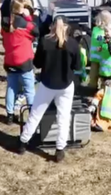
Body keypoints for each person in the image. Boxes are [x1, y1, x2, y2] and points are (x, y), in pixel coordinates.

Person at [14, 16, 82, 162]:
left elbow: (37, 63)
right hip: (65, 85)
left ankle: (22, 143)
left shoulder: (45, 41)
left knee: (35, 114)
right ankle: (59, 149)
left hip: (48, 84)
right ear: (67, 27)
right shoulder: (73, 44)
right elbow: (78, 67)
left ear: (52, 26)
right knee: (63, 118)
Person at [0, 0, 37, 124]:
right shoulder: (25, 24)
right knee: (29, 89)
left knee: (11, 88)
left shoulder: (5, 23)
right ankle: (32, 113)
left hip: (10, 61)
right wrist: (28, 16)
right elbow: (36, 31)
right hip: (24, 62)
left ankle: (10, 115)